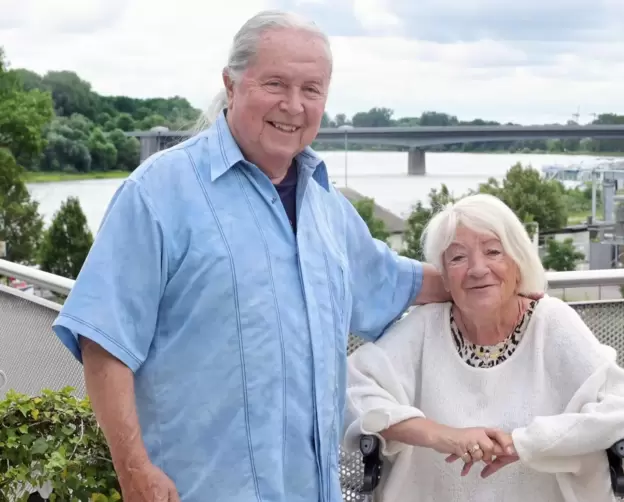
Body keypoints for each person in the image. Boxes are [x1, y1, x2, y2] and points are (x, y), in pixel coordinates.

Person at [51, 10, 451, 502]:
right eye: (276, 83)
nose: (293, 105)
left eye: (312, 90)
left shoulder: (329, 212)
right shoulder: (159, 193)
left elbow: (398, 283)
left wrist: (494, 275)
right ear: (232, 84)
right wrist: (134, 472)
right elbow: (104, 342)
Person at [343, 193, 624, 502]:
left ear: (519, 263)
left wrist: (524, 444)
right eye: (458, 257)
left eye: (493, 252)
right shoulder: (426, 325)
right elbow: (349, 388)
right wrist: (440, 435)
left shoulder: (551, 322)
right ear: (445, 278)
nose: (478, 269)